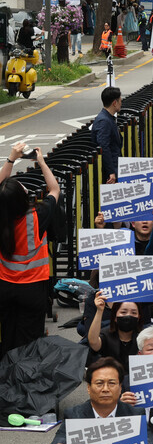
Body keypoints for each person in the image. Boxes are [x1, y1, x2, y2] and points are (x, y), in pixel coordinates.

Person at [0, 142, 60, 360]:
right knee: (30, 341)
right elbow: (55, 189)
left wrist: (10, 159)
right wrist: (42, 162)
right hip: (33, 289)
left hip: (4, 287)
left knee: (7, 334)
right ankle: (26, 384)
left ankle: (5, 381)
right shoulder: (37, 216)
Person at [87, 291, 153, 373]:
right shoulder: (106, 335)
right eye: (123, 312)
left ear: (138, 317)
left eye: (133, 313)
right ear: (115, 317)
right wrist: (99, 311)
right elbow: (93, 342)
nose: (128, 316)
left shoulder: (143, 335)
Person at [92, 86, 123, 184]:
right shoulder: (104, 121)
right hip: (109, 171)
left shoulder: (108, 118)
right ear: (114, 103)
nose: (121, 103)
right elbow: (103, 146)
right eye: (120, 101)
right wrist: (111, 171)